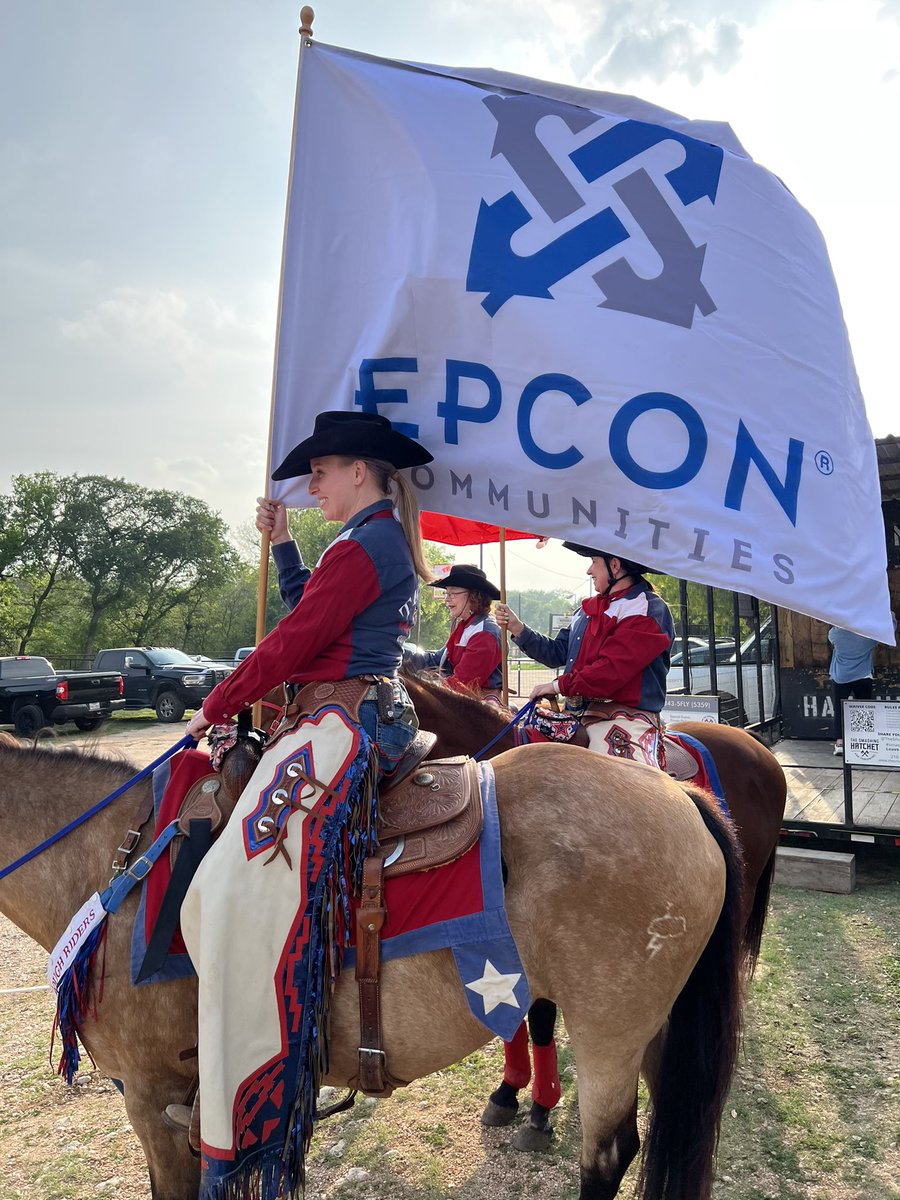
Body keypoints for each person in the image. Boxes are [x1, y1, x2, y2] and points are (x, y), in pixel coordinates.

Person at [175, 410, 435, 1192]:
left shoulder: (368, 541)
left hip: (341, 720)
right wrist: (285, 542)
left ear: (359, 470)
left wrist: (219, 701)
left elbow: (291, 642)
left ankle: (267, 1080)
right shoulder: (367, 541)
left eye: (319, 471)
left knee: (236, 887)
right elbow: (311, 614)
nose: (311, 484)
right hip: (330, 708)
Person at [495, 541, 674, 768]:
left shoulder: (647, 608)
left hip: (624, 718)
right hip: (575, 715)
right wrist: (518, 628)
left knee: (617, 783)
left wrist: (558, 686)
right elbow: (557, 653)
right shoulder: (584, 611)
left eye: (593, 562)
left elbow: (611, 671)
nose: (589, 571)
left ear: (615, 566)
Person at [404, 564, 504, 703]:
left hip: (480, 708)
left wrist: (423, 691)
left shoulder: (485, 632)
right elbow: (437, 661)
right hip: (464, 702)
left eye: (453, 593)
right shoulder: (466, 626)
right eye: (447, 593)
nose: (447, 598)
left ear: (474, 596)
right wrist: (397, 655)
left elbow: (461, 683)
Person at [828, 625, 878, 755]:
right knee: (864, 709)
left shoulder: (836, 634)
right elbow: (887, 630)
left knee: (839, 709)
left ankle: (840, 742)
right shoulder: (869, 637)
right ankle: (864, 740)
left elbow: (831, 632)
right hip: (863, 675)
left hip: (841, 675)